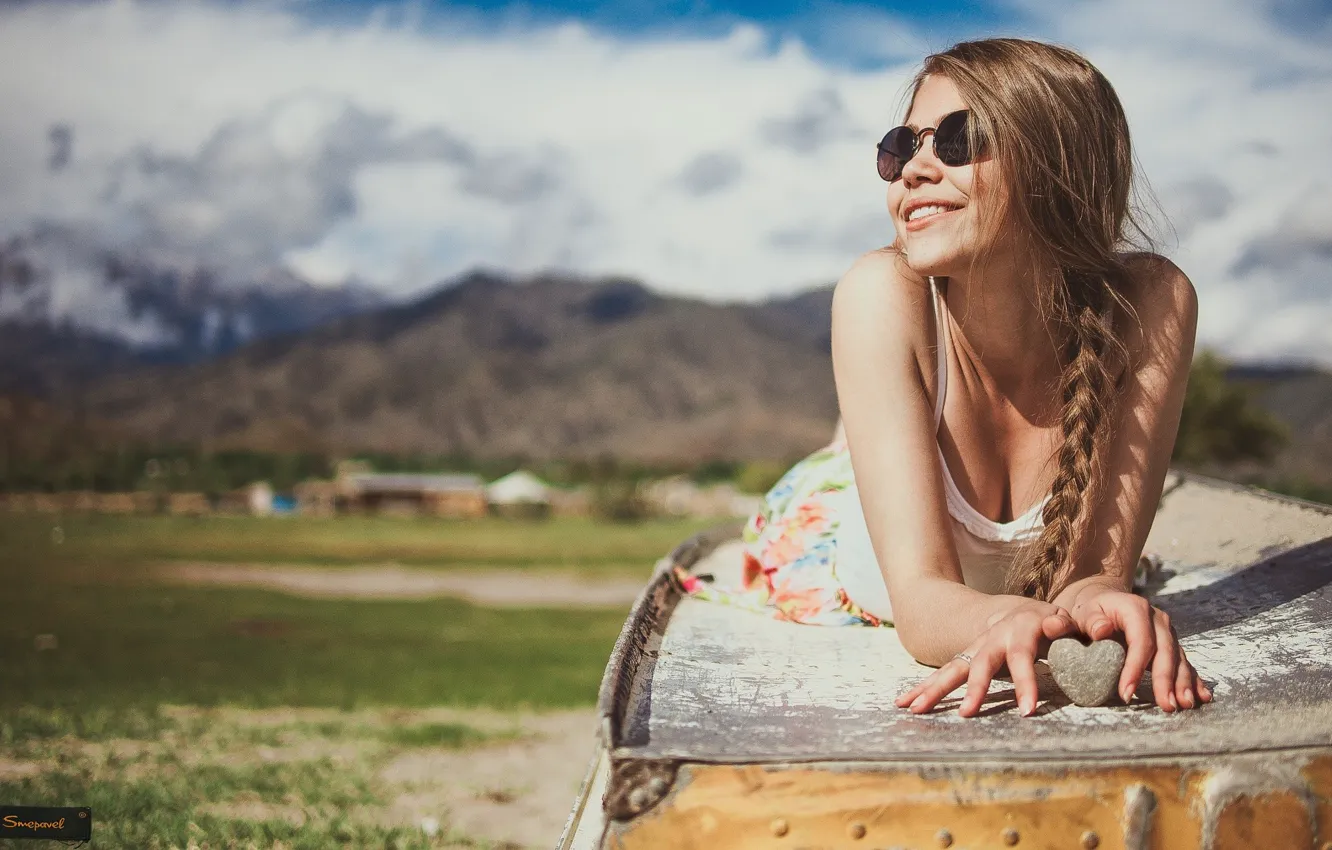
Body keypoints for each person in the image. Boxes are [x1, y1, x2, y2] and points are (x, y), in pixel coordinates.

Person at [674, 38, 1211, 718]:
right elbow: (924, 605)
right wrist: (1007, 620)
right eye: (901, 148)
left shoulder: (1149, 304)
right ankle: (859, 434)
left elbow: (1092, 576)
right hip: (837, 537)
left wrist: (1101, 600)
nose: (914, 170)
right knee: (843, 471)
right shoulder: (878, 291)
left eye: (959, 139)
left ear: (1060, 164)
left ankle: (869, 424)